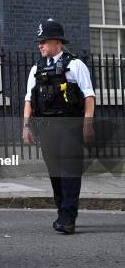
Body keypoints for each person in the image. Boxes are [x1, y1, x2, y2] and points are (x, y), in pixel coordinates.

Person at [22, 18, 95, 234]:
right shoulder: (37, 68)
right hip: (46, 127)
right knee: (55, 173)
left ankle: (68, 218)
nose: (40, 45)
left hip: (70, 125)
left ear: (57, 42)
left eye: (44, 41)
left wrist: (87, 124)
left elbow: (89, 96)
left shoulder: (75, 65)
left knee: (70, 172)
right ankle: (63, 211)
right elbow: (29, 99)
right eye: (39, 41)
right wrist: (26, 126)